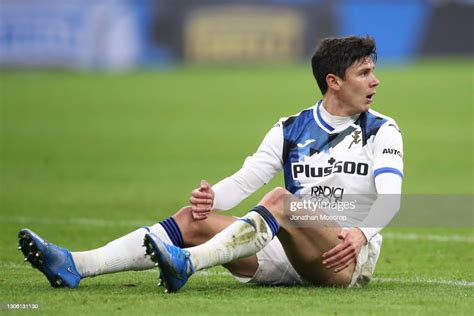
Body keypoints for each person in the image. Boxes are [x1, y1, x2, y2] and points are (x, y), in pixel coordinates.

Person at [18, 35, 403, 292]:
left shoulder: (381, 130)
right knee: (191, 218)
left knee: (283, 202)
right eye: (365, 73)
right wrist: (211, 198)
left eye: (372, 72)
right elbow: (247, 178)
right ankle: (75, 264)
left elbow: (391, 198)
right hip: (282, 249)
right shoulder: (291, 128)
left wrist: (361, 234)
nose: (375, 82)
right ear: (333, 82)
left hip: (342, 255)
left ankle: (188, 263)